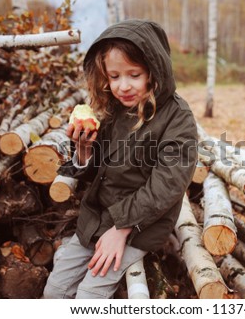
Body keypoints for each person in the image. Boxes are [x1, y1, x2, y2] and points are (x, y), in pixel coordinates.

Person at [43, 19, 198, 299]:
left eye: (134, 75)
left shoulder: (178, 118)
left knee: (89, 296)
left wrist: (121, 228)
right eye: (114, 77)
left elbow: (167, 186)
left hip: (140, 226)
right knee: (54, 291)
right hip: (96, 218)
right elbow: (98, 170)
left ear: (153, 70)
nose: (123, 86)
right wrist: (84, 151)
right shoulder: (113, 111)